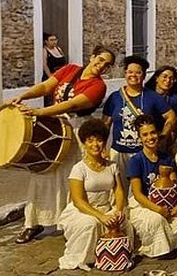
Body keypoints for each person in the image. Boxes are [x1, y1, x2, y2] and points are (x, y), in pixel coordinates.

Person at [10, 45, 115, 244]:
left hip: (77, 130)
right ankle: (32, 222)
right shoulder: (71, 69)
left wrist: (39, 112)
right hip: (55, 125)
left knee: (73, 178)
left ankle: (72, 223)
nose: (101, 66)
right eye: (100, 60)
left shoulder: (99, 86)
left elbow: (74, 104)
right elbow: (47, 86)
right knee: (42, 173)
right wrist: (24, 96)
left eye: (107, 65)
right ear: (91, 57)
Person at [57, 118, 132, 271]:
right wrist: (100, 216)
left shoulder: (112, 166)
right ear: (84, 143)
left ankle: (116, 257)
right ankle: (86, 258)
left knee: (123, 223)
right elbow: (78, 201)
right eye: (90, 141)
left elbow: (118, 190)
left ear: (104, 142)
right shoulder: (79, 169)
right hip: (83, 211)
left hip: (106, 207)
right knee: (90, 224)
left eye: (99, 140)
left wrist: (118, 210)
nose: (95, 145)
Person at [102, 55, 177, 190]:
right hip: (119, 152)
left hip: (143, 154)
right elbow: (105, 124)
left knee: (142, 190)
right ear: (125, 74)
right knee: (119, 189)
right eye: (130, 72)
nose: (134, 75)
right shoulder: (115, 97)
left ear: (143, 76)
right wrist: (103, 148)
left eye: (138, 72)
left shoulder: (152, 97)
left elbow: (171, 117)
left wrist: (164, 135)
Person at [127, 114, 177, 258]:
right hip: (144, 204)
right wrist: (157, 209)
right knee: (157, 220)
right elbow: (137, 194)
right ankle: (160, 249)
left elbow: (176, 186)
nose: (150, 137)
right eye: (145, 134)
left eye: (153, 132)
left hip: (168, 203)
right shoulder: (136, 161)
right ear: (140, 138)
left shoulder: (166, 158)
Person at [145, 66, 177, 153]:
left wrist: (169, 144)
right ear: (156, 78)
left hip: (163, 137)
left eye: (171, 78)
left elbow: (176, 124)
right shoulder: (145, 95)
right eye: (165, 76)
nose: (168, 80)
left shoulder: (174, 99)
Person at [42, 32, 67, 106]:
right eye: (51, 40)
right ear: (46, 41)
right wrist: (50, 76)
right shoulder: (45, 51)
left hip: (61, 76)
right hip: (51, 76)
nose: (54, 42)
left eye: (55, 39)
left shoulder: (58, 49)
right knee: (50, 97)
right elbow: (45, 65)